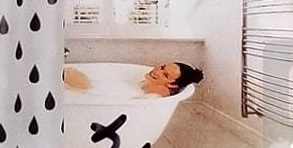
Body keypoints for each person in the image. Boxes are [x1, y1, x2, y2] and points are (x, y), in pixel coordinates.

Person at [63, 62, 204, 96]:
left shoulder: (157, 93)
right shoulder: (146, 85)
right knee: (67, 74)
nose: (157, 71)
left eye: (165, 75)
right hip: (97, 90)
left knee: (67, 74)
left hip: (95, 93)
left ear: (173, 85)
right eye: (162, 67)